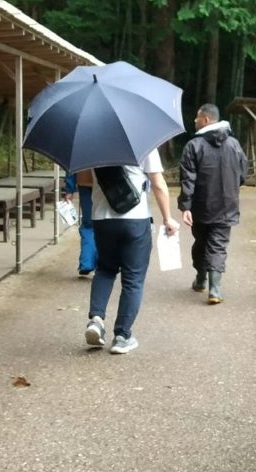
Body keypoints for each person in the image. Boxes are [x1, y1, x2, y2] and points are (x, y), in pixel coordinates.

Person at [85, 149, 179, 354]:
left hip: (102, 219)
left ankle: (96, 320)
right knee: (133, 279)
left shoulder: (92, 145)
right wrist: (167, 218)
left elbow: (91, 181)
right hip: (136, 219)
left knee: (105, 270)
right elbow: (158, 184)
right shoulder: (144, 144)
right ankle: (122, 336)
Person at [178, 103, 247, 304]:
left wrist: (186, 206)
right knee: (218, 245)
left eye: (197, 117)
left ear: (206, 120)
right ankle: (215, 290)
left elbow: (187, 179)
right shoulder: (234, 144)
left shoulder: (193, 146)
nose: (194, 121)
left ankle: (201, 279)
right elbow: (243, 174)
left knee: (201, 242)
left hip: (201, 207)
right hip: (227, 206)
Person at [63, 169, 97, 276]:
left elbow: (71, 165)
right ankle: (101, 264)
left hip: (84, 181)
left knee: (88, 225)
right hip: (104, 184)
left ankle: (86, 263)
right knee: (103, 225)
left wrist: (69, 189)